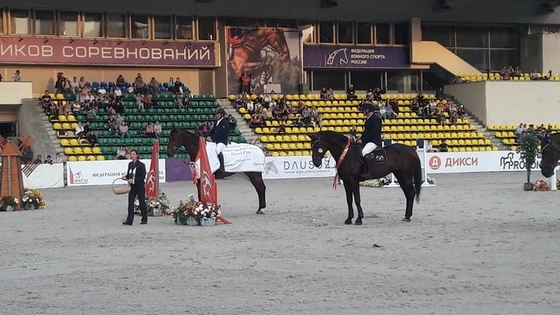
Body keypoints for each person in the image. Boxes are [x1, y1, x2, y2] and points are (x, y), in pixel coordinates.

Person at [121, 150, 147, 225]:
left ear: (137, 155)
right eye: (131, 154)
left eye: (133, 154)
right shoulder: (130, 164)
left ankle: (144, 218)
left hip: (140, 186)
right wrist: (125, 177)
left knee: (142, 202)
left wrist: (134, 180)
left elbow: (142, 176)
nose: (132, 156)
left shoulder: (141, 165)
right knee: (130, 202)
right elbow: (129, 174)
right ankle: (129, 220)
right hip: (132, 187)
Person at [357, 103, 383, 180]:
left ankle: (369, 172)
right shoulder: (368, 119)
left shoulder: (376, 119)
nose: (363, 111)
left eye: (364, 110)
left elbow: (373, 132)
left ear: (367, 110)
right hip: (368, 140)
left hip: (374, 141)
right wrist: (360, 138)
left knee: (364, 152)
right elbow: (366, 132)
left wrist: (363, 140)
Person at [207, 107, 230, 172]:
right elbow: (212, 131)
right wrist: (207, 135)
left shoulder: (225, 123)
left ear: (222, 115)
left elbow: (221, 134)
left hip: (222, 141)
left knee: (217, 150)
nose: (216, 115)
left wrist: (212, 138)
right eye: (216, 114)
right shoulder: (216, 122)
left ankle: (222, 166)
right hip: (216, 141)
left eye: (217, 114)